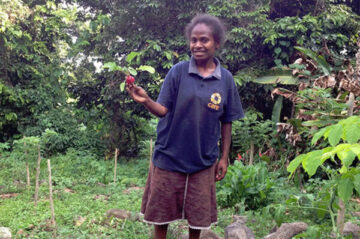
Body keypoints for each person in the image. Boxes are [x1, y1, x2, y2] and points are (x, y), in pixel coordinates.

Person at [126, 14, 244, 239]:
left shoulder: (225, 79)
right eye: (193, 40)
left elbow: (227, 121)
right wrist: (146, 100)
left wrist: (224, 157)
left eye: (204, 40)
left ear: (216, 43)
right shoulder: (178, 72)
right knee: (161, 216)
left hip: (203, 160)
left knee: (197, 219)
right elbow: (162, 111)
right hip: (169, 156)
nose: (197, 45)